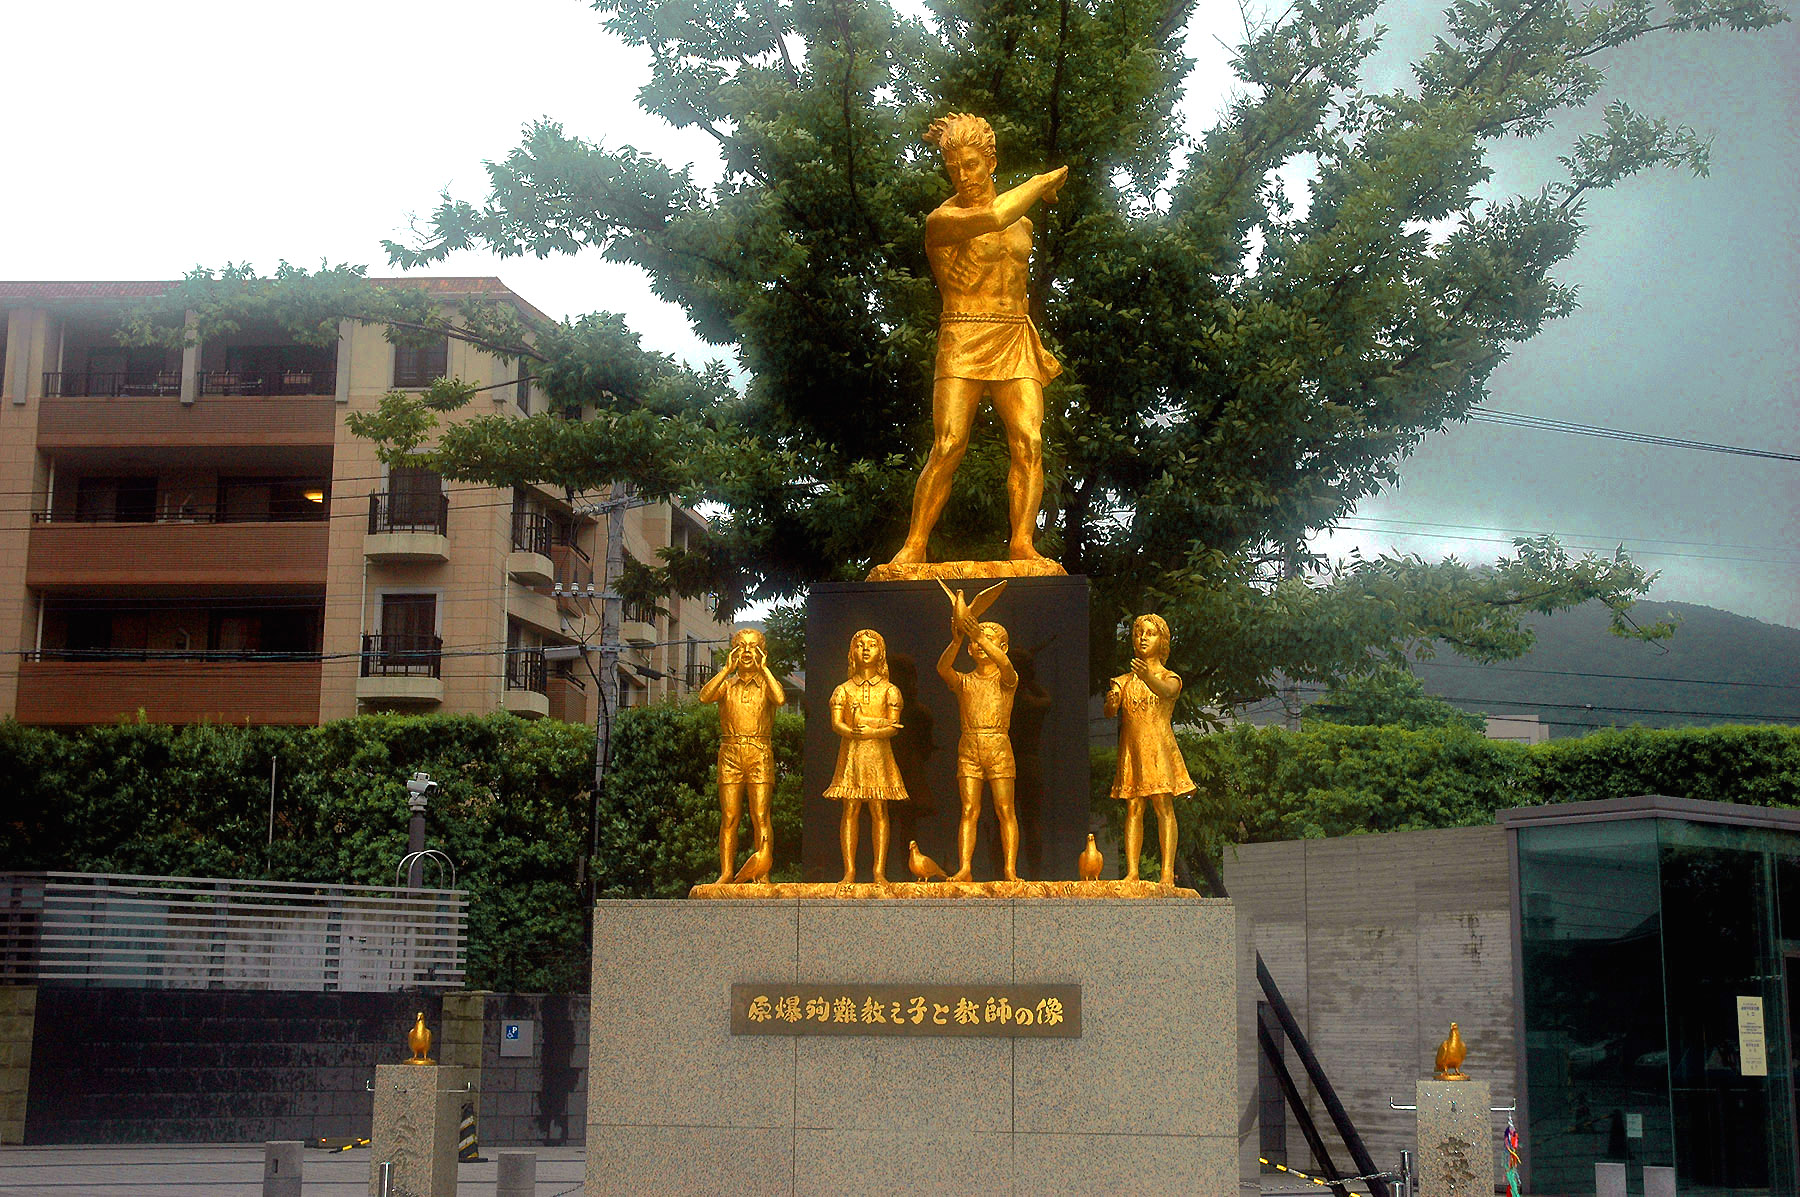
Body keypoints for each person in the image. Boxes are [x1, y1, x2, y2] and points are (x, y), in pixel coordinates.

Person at [887, 112, 1069, 567]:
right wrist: (1042, 182)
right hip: (964, 331)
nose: (964, 175)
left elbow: (1009, 227)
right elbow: (994, 214)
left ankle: (1023, 543)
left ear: (990, 160)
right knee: (949, 443)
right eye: (954, 168)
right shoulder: (943, 220)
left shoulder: (1023, 227)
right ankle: (914, 545)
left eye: (971, 164)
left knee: (1029, 440)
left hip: (1013, 333)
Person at [937, 596, 1022, 881]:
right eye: (976, 641)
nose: (979, 644)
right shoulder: (966, 681)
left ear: (1002, 647)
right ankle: (965, 868)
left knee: (1005, 808)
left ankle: (1010, 869)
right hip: (969, 745)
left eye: (987, 640)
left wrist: (976, 634)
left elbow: (1005, 664)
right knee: (969, 809)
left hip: (998, 744)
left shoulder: (1007, 678)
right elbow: (943, 669)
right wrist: (958, 639)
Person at [1105, 614, 1194, 885]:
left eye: (1150, 633)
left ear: (1162, 641)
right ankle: (1132, 871)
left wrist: (1147, 676)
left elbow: (1167, 692)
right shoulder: (1122, 681)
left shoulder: (1170, 677)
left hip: (1158, 747)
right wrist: (1111, 702)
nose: (1142, 638)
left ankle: (1167, 872)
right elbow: (1110, 712)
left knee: (1163, 805)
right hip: (1132, 749)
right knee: (1133, 806)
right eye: (1138, 633)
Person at [697, 627, 785, 884]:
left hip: (759, 751)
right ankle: (726, 873)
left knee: (761, 815)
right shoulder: (727, 685)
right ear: (734, 652)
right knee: (730, 817)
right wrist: (726, 669)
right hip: (730, 752)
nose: (747, 652)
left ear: (762, 652)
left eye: (753, 647)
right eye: (741, 646)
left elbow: (779, 699)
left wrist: (765, 669)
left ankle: (763, 872)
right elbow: (704, 697)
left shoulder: (766, 685)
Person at [824, 630, 907, 884]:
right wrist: (852, 732)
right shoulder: (843, 689)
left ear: (881, 652)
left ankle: (879, 870)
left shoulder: (890, 690)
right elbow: (836, 723)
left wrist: (873, 731)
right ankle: (849, 870)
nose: (866, 649)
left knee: (879, 808)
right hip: (852, 753)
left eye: (872, 645)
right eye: (860, 645)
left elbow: (895, 726)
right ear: (853, 652)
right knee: (850, 808)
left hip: (879, 754)